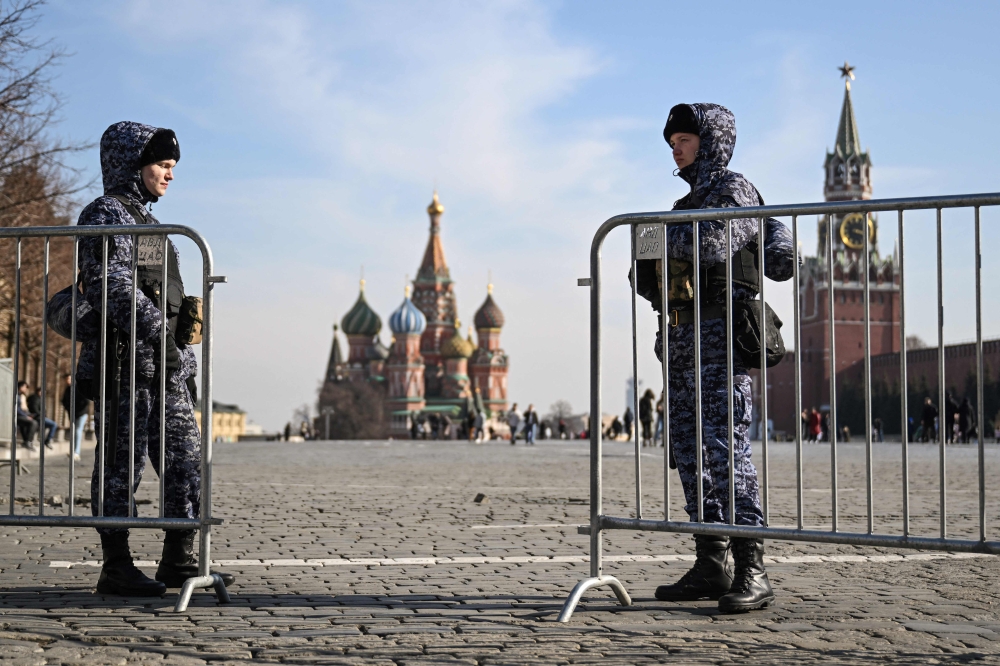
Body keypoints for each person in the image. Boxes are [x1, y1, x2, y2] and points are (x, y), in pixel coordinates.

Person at [635, 104, 794, 613]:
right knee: (689, 456)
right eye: (672, 142)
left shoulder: (737, 191)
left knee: (727, 456)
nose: (676, 149)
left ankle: (753, 567)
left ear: (711, 141)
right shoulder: (683, 204)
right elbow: (641, 269)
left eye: (684, 139)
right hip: (681, 347)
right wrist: (655, 242)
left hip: (721, 348)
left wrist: (660, 237)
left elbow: (713, 242)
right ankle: (711, 562)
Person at [75, 121, 232, 597]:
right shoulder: (106, 213)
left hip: (165, 369)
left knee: (185, 462)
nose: (170, 175)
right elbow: (110, 283)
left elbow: (164, 294)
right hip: (124, 367)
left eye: (172, 167)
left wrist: (180, 356)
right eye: (163, 165)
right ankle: (116, 565)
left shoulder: (148, 221)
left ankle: (179, 560)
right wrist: (160, 335)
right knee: (122, 467)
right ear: (133, 163)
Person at [61, 375, 90, 461]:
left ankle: (76, 452)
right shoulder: (67, 389)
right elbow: (63, 401)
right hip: (72, 413)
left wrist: (77, 409)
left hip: (81, 413)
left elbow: (86, 401)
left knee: (77, 430)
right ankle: (73, 451)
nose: (67, 381)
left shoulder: (79, 388)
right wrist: (68, 408)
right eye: (66, 379)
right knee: (74, 431)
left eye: (69, 379)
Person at [15, 381, 38, 450]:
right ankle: (28, 442)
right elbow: (16, 408)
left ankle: (26, 442)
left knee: (30, 422)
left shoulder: (20, 395)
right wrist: (25, 416)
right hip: (16, 416)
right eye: (25, 387)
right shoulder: (16, 395)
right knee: (34, 423)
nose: (26, 389)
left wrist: (28, 415)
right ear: (20, 387)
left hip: (19, 415)